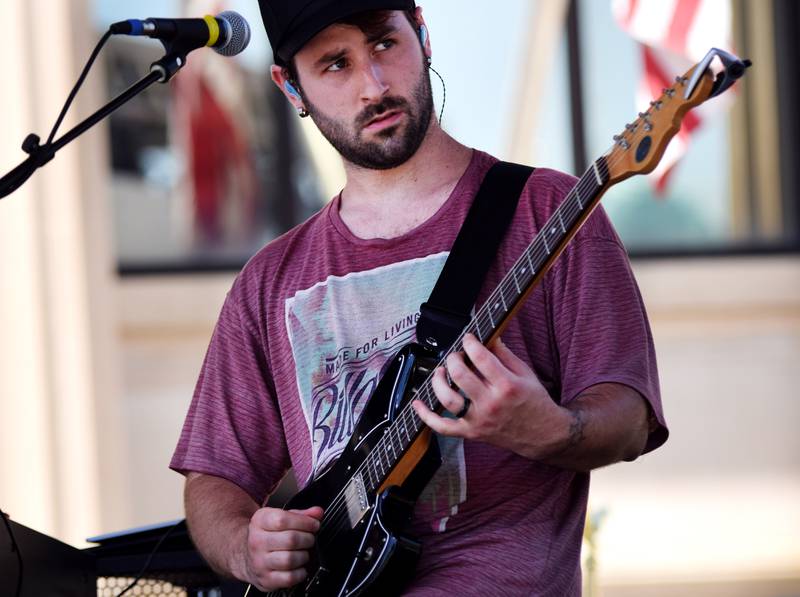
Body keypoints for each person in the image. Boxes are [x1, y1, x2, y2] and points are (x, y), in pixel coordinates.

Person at [170, 1, 668, 594]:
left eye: (385, 44)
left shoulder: (548, 210)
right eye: (335, 64)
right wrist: (246, 548)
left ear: (423, 35)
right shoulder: (269, 280)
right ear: (290, 86)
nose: (373, 85)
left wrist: (550, 429)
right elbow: (214, 479)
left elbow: (631, 417)